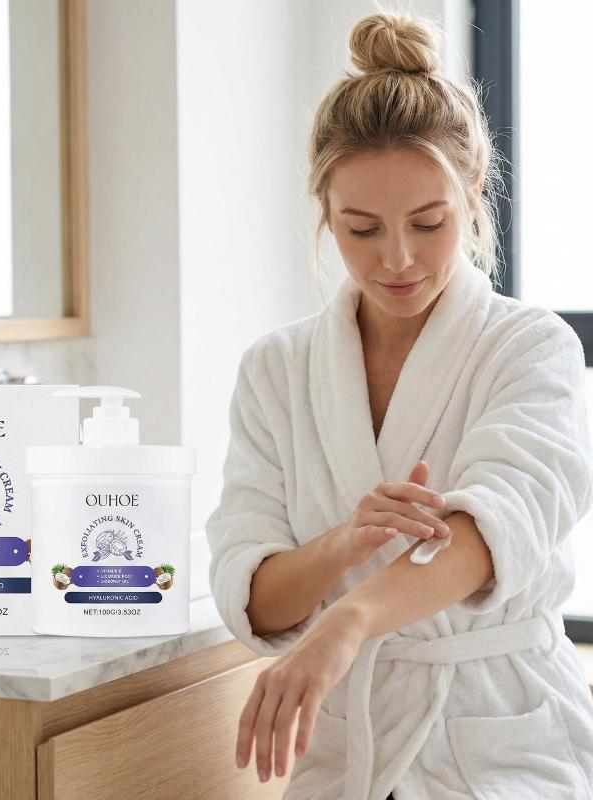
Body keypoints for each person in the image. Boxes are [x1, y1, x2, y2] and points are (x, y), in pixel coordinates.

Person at [205, 9, 593, 800]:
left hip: (499, 742)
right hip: (347, 752)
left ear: (473, 197)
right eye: (362, 229)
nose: (398, 258)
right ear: (326, 214)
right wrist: (340, 544)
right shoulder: (277, 370)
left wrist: (346, 622)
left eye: (428, 222)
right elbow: (255, 595)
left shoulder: (530, 348)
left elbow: (495, 534)